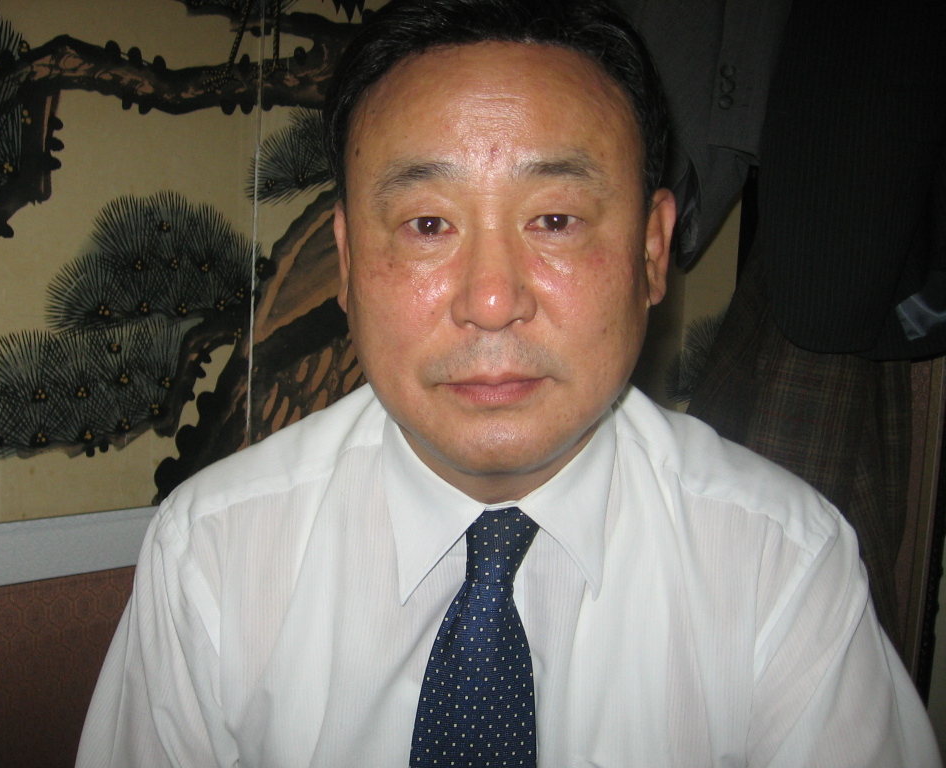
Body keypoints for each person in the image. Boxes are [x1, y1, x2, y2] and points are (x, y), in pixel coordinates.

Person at [76, 0, 941, 765]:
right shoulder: (213, 556)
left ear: (651, 252)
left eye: (555, 219)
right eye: (428, 224)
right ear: (345, 261)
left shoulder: (781, 566)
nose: (491, 301)